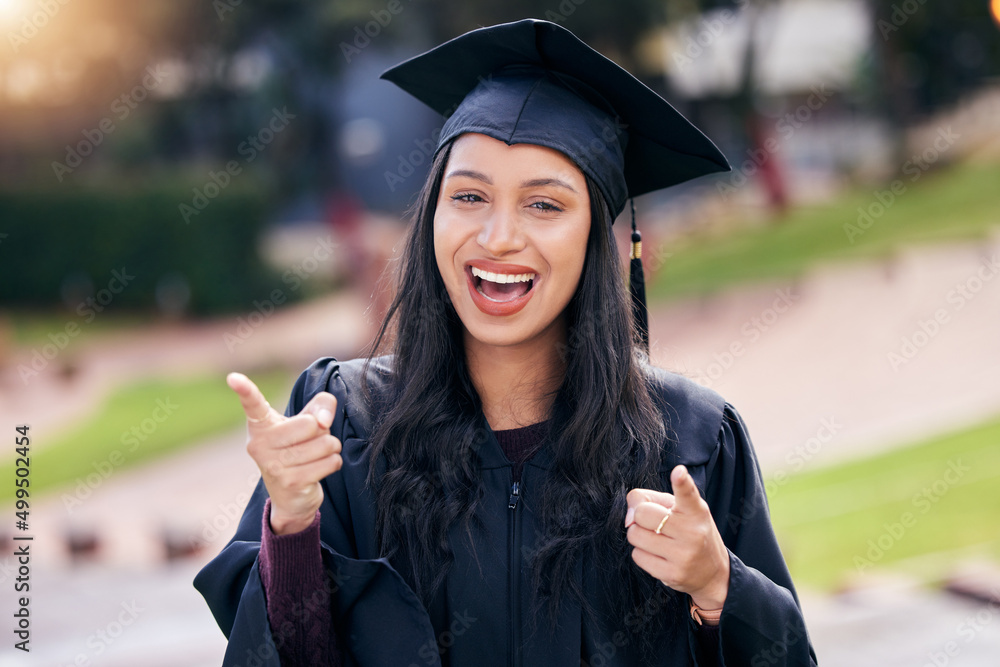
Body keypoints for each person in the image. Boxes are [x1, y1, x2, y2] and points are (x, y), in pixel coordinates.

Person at [195, 19, 818, 667]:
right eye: (468, 195)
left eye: (544, 205)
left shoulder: (691, 442)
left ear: (594, 241)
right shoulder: (346, 425)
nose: (497, 237)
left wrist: (720, 589)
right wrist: (292, 526)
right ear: (432, 212)